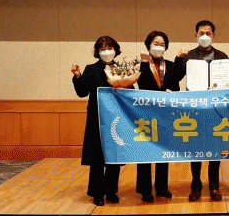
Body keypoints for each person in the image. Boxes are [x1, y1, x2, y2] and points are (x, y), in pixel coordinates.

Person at [174, 20, 229, 202]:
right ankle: (196, 185)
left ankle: (214, 186)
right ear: (196, 35)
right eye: (201, 33)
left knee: (215, 148)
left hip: (216, 110)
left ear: (214, 35)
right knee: (195, 149)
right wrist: (179, 59)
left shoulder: (222, 57)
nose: (205, 36)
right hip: (195, 109)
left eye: (208, 33)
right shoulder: (189, 56)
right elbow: (175, 78)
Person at [71, 36, 123, 206]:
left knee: (114, 157)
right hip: (97, 118)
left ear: (115, 50)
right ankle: (97, 193)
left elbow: (129, 91)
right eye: (102, 49)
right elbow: (82, 92)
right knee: (97, 158)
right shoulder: (91, 69)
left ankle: (111, 191)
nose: (107, 51)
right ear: (97, 52)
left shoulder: (122, 68)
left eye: (109, 48)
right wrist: (78, 77)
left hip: (116, 118)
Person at [134, 30, 181, 203]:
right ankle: (145, 189)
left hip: (165, 114)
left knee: (163, 151)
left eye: (162, 45)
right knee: (145, 151)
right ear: (148, 45)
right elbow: (137, 84)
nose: (159, 47)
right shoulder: (140, 64)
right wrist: (143, 63)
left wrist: (171, 92)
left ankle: (162, 187)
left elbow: (176, 87)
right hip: (145, 113)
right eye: (156, 44)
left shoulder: (171, 65)